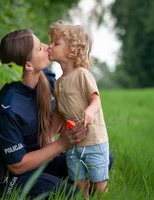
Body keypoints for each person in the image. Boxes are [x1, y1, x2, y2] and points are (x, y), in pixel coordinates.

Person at [0, 29, 89, 198]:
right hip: (14, 178)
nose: (47, 47)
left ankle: (61, 185)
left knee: (94, 162)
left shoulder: (46, 75)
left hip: (43, 160)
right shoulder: (8, 106)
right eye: (39, 48)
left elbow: (62, 106)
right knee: (69, 194)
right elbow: (17, 165)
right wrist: (61, 144)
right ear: (28, 65)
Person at [48, 20, 110, 197]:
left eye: (56, 43)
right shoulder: (59, 82)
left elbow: (96, 99)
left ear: (72, 50)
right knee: (79, 182)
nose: (50, 46)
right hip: (73, 143)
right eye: (51, 42)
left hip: (94, 141)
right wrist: (51, 134)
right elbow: (60, 111)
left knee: (99, 184)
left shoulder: (82, 74)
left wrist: (90, 110)